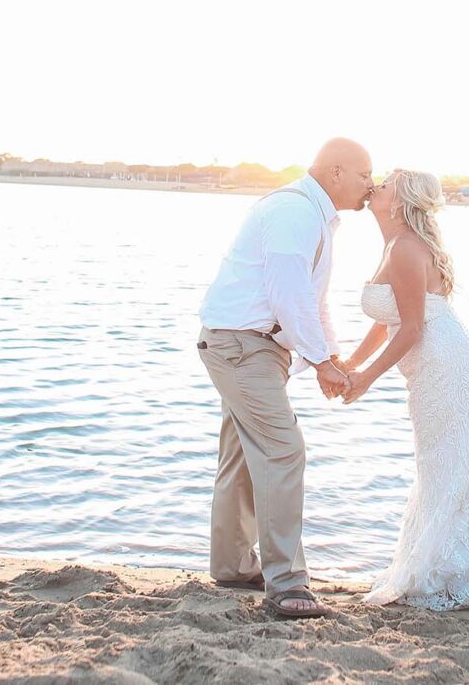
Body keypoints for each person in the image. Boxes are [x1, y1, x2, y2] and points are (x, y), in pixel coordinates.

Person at [195, 138, 373, 618]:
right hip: (242, 347)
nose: (370, 186)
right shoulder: (295, 212)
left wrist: (330, 355)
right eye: (364, 175)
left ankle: (233, 565)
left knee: (241, 453)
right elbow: (288, 295)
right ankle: (287, 584)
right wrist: (321, 363)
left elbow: (312, 300)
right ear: (336, 172)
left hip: (250, 348)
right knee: (282, 449)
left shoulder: (313, 215)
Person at [342, 168, 469, 611]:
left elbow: (409, 328)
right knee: (440, 461)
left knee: (448, 461)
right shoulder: (395, 244)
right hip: (433, 363)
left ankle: (453, 572)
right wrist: (351, 361)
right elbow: (386, 319)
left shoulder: (406, 248)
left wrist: (365, 378)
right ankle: (453, 564)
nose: (374, 187)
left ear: (401, 201)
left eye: (383, 184)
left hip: (443, 364)